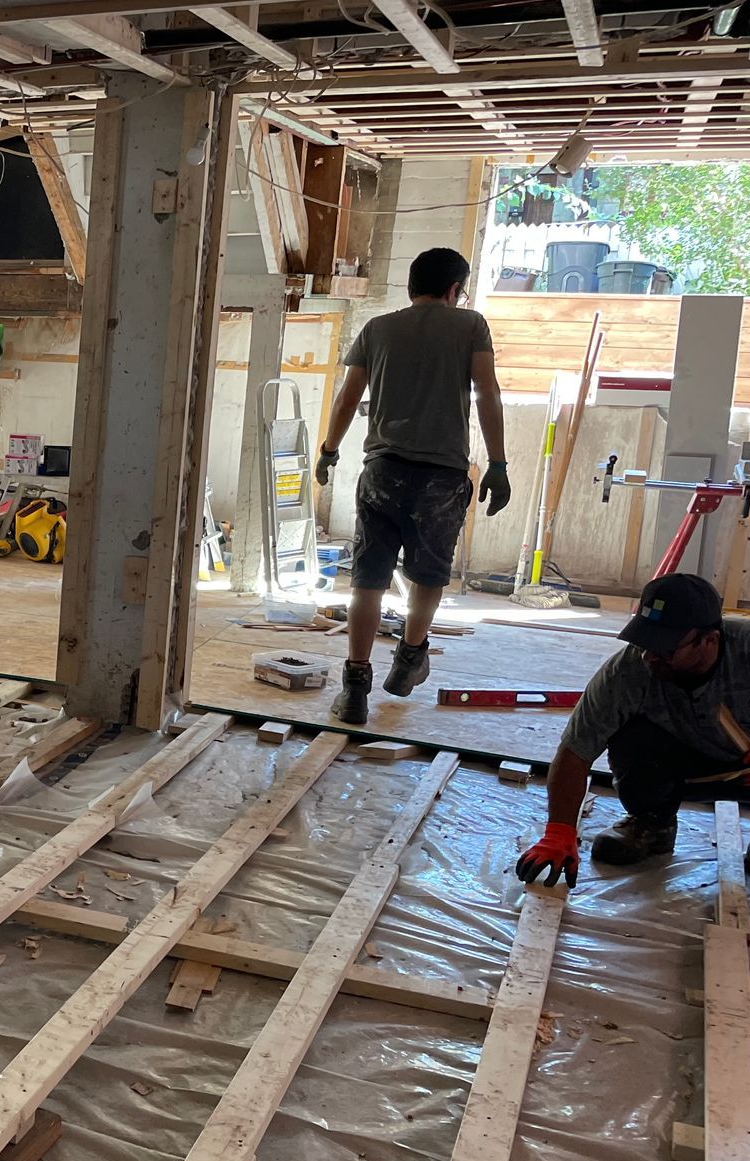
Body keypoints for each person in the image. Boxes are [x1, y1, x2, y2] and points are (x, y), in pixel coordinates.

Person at [314, 246, 514, 726]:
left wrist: (329, 449)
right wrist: (499, 462)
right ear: (454, 289)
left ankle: (355, 687)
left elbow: (347, 396)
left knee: (368, 579)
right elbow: (487, 391)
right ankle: (409, 656)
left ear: (410, 286)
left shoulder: (378, 329)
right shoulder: (470, 325)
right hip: (441, 479)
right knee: (427, 576)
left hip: (382, 471)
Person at [515, 574, 750, 888]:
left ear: (709, 640)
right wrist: (559, 833)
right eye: (644, 641)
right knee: (633, 740)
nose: (649, 656)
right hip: (685, 767)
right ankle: (654, 823)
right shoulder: (628, 671)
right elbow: (575, 752)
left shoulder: (746, 650)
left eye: (665, 648)